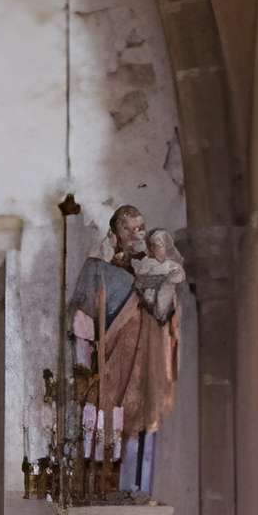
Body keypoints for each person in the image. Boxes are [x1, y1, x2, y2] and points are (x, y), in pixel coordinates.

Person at [69, 203, 181, 499]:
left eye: (139, 227)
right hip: (116, 354)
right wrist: (82, 364)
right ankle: (108, 485)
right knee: (114, 414)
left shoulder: (155, 269)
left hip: (152, 353)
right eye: (126, 228)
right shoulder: (99, 269)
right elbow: (80, 320)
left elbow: (169, 315)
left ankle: (142, 487)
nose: (134, 234)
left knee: (148, 411)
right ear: (114, 233)